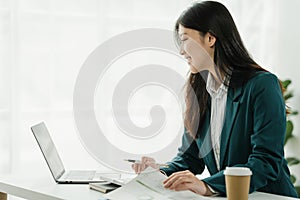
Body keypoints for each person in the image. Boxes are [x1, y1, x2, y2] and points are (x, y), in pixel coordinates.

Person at [131, 0, 298, 198]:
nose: (181, 50)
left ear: (210, 38)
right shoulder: (199, 92)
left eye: (184, 39)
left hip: (269, 197)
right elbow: (190, 159)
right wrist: (158, 172)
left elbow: (265, 162)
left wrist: (206, 186)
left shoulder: (262, 85)